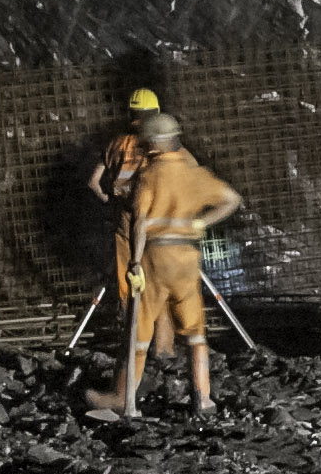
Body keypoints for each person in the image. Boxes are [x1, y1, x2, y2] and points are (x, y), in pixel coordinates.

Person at [91, 112, 243, 419]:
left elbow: (140, 223)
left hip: (156, 257)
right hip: (186, 258)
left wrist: (134, 262)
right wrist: (200, 222)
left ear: (152, 144)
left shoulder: (148, 177)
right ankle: (203, 399)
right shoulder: (194, 173)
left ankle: (125, 400)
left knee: (140, 328)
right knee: (195, 332)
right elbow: (231, 199)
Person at [83, 85, 178, 368]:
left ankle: (134, 349)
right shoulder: (156, 146)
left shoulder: (116, 144)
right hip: (153, 222)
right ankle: (163, 350)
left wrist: (110, 200)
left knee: (130, 286)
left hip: (123, 222)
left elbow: (93, 182)